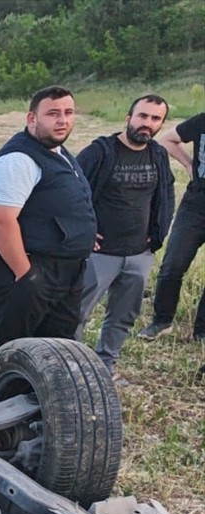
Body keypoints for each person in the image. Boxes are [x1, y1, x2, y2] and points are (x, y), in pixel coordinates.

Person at [0, 85, 97, 359]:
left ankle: (38, 401)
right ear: (32, 119)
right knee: (14, 352)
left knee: (53, 352)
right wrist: (26, 275)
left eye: (68, 112)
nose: (62, 120)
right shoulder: (18, 160)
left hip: (62, 271)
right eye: (52, 113)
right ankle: (1, 401)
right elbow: (1, 222)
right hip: (28, 271)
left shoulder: (59, 152)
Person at [74, 95, 175, 381]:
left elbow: (166, 194)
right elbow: (73, 190)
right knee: (76, 313)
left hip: (139, 254)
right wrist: (84, 230)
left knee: (122, 317)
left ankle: (105, 368)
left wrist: (157, 235)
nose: (148, 123)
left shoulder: (157, 154)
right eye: (143, 116)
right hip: (99, 253)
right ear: (128, 117)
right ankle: (71, 370)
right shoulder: (101, 151)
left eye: (155, 119)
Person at [137, 112, 205, 342]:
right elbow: (167, 140)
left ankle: (201, 332)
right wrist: (188, 164)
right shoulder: (202, 120)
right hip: (195, 206)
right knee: (172, 265)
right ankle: (161, 320)